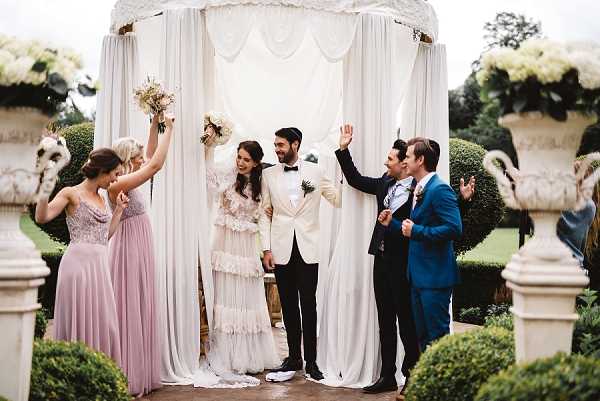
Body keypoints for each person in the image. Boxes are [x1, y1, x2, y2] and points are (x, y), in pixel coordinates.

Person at [336, 126, 474, 396]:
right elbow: (354, 178)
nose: (387, 162)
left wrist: (462, 202)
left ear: (407, 162)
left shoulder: (421, 187)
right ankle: (388, 374)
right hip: (384, 260)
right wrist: (343, 150)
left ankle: (418, 376)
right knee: (386, 320)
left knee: (413, 326)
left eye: (395, 158)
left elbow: (440, 216)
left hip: (408, 264)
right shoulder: (385, 184)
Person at [259, 127, 341, 381]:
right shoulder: (268, 174)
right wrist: (266, 248)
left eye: (281, 145)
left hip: (308, 248)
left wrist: (347, 181)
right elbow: (264, 211)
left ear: (296, 144)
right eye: (275, 145)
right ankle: (293, 358)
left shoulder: (316, 172)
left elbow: (337, 199)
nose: (277, 149)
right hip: (281, 248)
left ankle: (312, 362)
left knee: (309, 305)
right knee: (288, 306)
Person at [35, 148, 128, 365]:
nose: (116, 179)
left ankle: (101, 373)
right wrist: (44, 188)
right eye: (115, 173)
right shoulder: (71, 193)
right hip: (77, 268)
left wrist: (119, 211)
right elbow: (42, 216)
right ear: (103, 171)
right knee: (81, 319)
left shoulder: (103, 198)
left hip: (99, 268)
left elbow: (104, 237)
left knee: (104, 322)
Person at [107, 114, 175, 396]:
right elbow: (156, 163)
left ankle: (141, 367)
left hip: (141, 239)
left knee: (141, 299)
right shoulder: (119, 183)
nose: (141, 160)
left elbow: (149, 154)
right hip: (129, 244)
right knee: (129, 301)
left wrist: (154, 122)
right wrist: (170, 129)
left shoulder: (129, 174)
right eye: (135, 157)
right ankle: (127, 370)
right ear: (125, 159)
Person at [203, 138, 280, 382]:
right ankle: (227, 354)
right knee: (226, 298)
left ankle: (248, 356)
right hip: (225, 247)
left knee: (246, 301)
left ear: (256, 162)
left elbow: (267, 216)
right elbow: (208, 179)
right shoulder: (227, 178)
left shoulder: (262, 185)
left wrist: (268, 247)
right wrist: (209, 146)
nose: (241, 162)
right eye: (239, 157)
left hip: (246, 250)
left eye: (246, 159)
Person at [379, 137, 462, 353]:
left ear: (421, 160)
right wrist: (393, 224)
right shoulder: (418, 187)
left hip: (435, 277)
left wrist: (416, 231)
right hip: (416, 276)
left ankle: (441, 385)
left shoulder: (439, 189)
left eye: (407, 156)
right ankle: (426, 384)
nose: (404, 161)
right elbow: (413, 228)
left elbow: (454, 228)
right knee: (422, 337)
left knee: (438, 339)